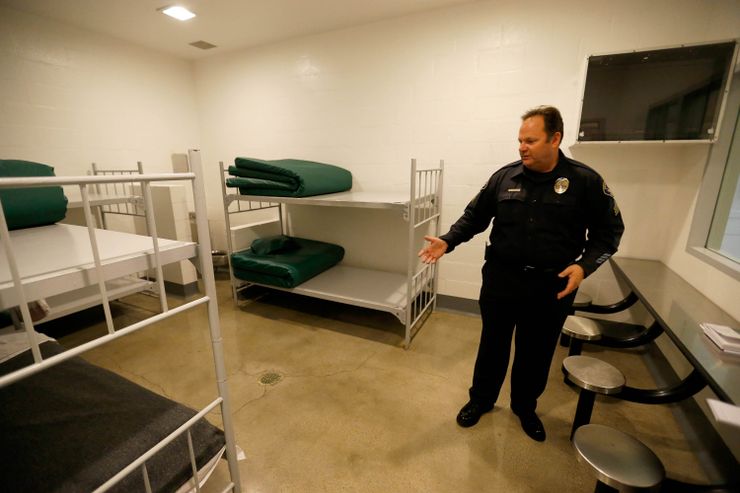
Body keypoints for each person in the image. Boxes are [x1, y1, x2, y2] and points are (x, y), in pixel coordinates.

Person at [419, 106, 624, 442]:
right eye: (520, 140)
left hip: (551, 286)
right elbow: (474, 218)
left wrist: (584, 266)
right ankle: (481, 400)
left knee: (537, 351)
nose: (522, 147)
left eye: (531, 140)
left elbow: (610, 232)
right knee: (492, 345)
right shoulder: (505, 177)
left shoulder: (585, 181)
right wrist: (447, 241)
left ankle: (525, 407)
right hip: (502, 280)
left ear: (555, 138)